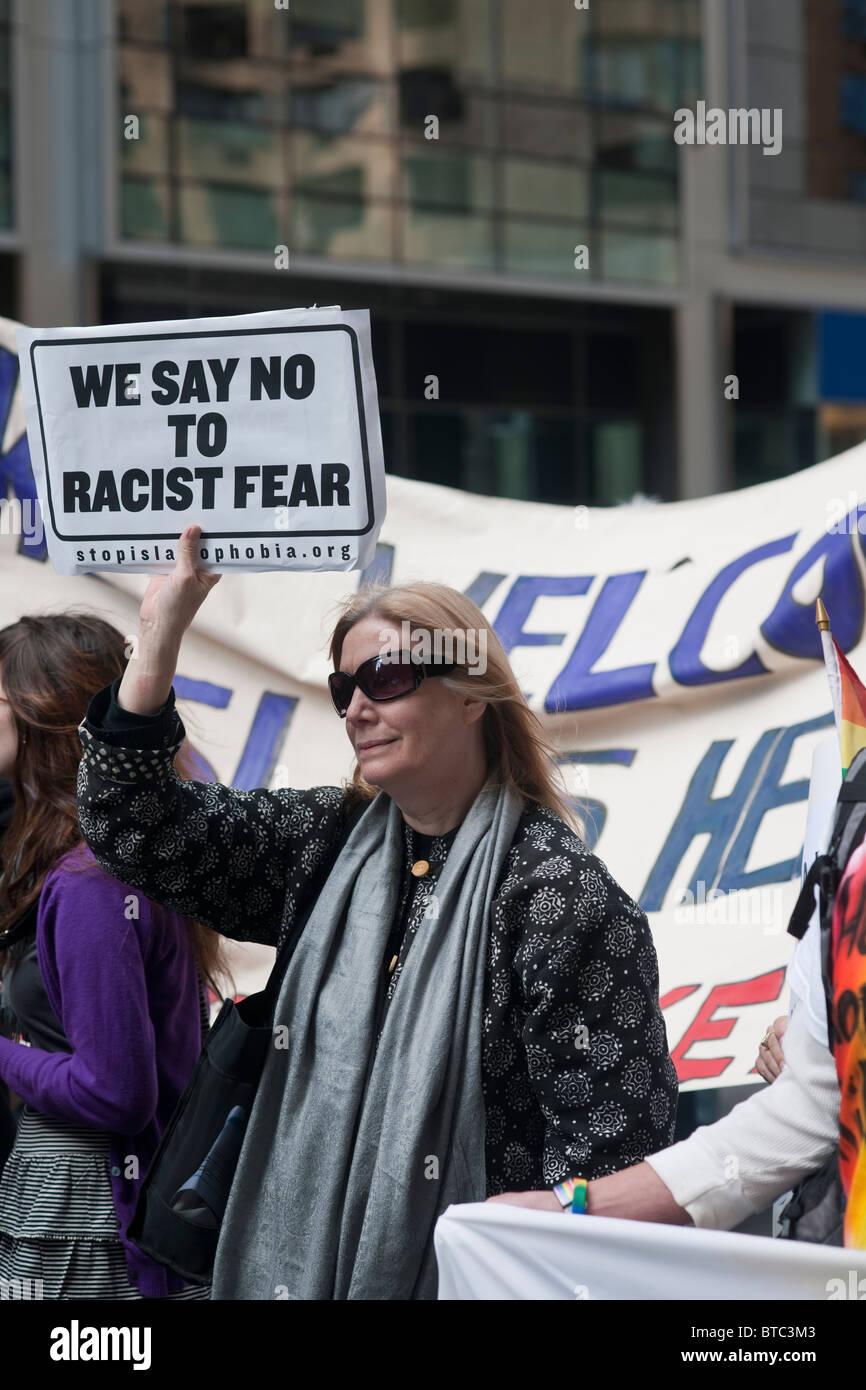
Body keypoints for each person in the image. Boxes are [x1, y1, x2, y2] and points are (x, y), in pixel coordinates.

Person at [76, 523, 679, 1301]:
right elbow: (133, 821)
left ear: (471, 696)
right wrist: (160, 634)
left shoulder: (561, 899)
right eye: (343, 689)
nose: (357, 708)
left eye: (386, 678)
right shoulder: (324, 844)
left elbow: (608, 1170)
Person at [0, 612, 225, 1298]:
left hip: (83, 1224)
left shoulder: (90, 882)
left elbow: (114, 1091)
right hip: (77, 1212)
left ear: (45, 714)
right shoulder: (89, 862)